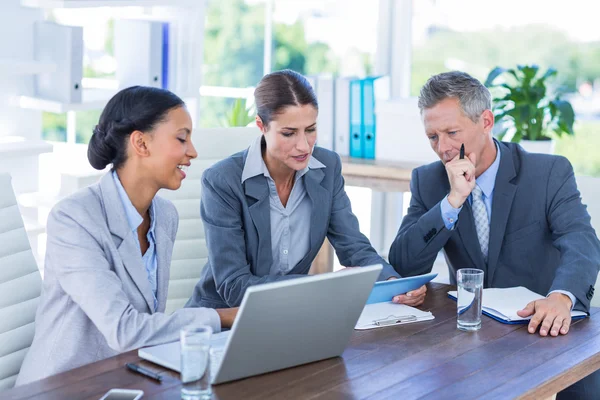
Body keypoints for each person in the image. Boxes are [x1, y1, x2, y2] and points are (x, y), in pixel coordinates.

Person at [388, 71, 600, 399]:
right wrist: (451, 201)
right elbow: (403, 261)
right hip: (468, 333)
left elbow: (582, 242)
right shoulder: (430, 181)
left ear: (486, 121)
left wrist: (561, 297)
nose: (442, 148)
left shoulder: (547, 173)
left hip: (540, 326)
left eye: (451, 133)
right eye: (432, 136)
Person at [16, 86, 237, 386]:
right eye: (182, 138)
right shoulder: (74, 219)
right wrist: (223, 317)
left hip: (123, 380)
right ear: (141, 143)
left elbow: (144, 326)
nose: (193, 152)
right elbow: (125, 330)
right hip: (61, 387)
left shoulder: (165, 217)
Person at [186, 69, 427, 310]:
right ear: (261, 125)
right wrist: (323, 284)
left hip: (291, 314)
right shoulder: (222, 181)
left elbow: (355, 247)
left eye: (310, 129)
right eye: (289, 133)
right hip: (221, 321)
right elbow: (235, 287)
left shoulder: (327, 168)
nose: (303, 146)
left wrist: (392, 282)